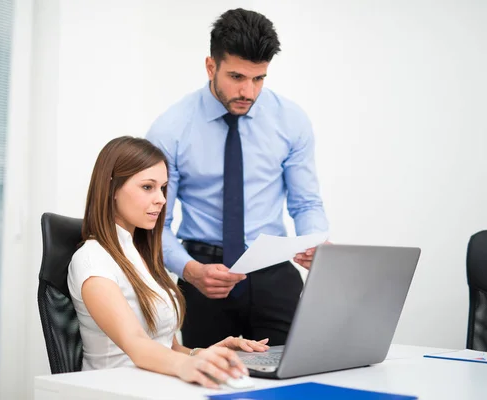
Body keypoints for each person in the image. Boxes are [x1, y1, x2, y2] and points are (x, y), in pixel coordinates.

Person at [146, 8, 329, 349]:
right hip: (204, 277)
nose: (249, 91)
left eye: (258, 78)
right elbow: (157, 222)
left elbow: (306, 203)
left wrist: (314, 240)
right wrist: (188, 270)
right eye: (237, 77)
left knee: (293, 379)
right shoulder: (170, 130)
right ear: (210, 66)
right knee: (208, 383)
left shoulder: (291, 121)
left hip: (274, 274)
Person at [67, 136, 269, 389]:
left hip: (155, 384)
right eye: (147, 187)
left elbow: (168, 347)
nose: (161, 199)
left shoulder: (140, 256)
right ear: (111, 189)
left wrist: (204, 355)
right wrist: (188, 366)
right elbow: (138, 346)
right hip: (116, 389)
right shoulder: (92, 260)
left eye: (163, 188)